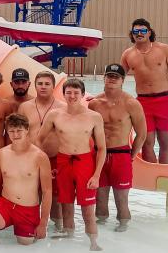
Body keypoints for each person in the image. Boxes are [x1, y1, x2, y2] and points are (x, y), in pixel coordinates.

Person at [38, 78, 105, 251]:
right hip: (63, 161)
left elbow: (102, 148)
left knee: (88, 209)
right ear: (64, 94)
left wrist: (96, 175)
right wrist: (45, 165)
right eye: (69, 92)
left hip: (85, 163)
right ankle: (69, 241)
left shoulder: (94, 117)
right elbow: (38, 140)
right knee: (66, 205)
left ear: (83, 94)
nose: (72, 96)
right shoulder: (55, 115)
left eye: (76, 93)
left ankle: (93, 243)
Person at [0, 113, 52, 246]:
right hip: (6, 204)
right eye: (11, 131)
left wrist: (43, 223)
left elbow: (47, 192)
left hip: (28, 210)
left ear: (27, 130)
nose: (15, 134)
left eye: (19, 131)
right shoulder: (0, 154)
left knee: (25, 244)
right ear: (7, 132)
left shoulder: (40, 156)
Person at [120, 18, 168, 164]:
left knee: (165, 143)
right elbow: (118, 79)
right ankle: (152, 176)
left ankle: (164, 175)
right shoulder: (127, 54)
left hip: (166, 100)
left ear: (149, 32)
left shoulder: (164, 49)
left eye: (143, 30)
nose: (139, 34)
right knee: (146, 142)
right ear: (132, 34)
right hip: (143, 102)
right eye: (136, 31)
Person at [89, 64, 147, 232]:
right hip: (99, 156)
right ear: (104, 78)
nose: (112, 79)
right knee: (99, 199)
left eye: (116, 77)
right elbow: (87, 131)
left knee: (121, 200)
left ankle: (123, 231)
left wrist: (131, 155)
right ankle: (101, 232)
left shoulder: (131, 103)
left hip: (121, 155)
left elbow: (141, 134)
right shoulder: (94, 103)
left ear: (122, 80)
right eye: (109, 75)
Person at [18, 70, 66, 230]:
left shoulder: (63, 108)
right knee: (31, 192)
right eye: (40, 84)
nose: (43, 87)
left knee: (56, 195)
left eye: (47, 84)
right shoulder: (25, 107)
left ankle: (58, 227)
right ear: (35, 86)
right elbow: (18, 134)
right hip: (30, 158)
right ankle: (32, 224)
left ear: (53, 86)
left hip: (55, 158)